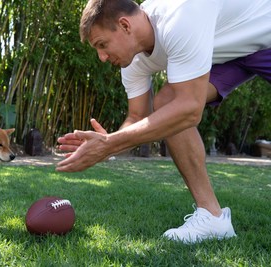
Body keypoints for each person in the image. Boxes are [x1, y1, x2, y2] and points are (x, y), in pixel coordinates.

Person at [56, 0, 271, 244]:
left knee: (179, 106)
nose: (102, 57)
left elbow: (190, 110)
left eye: (102, 45)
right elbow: (137, 118)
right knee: (168, 103)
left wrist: (111, 143)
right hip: (227, 51)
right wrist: (104, 147)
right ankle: (212, 217)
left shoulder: (180, 16)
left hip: (265, 33)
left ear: (125, 25)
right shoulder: (134, 61)